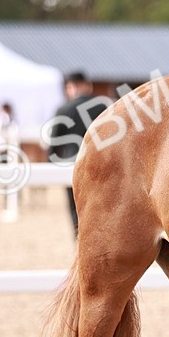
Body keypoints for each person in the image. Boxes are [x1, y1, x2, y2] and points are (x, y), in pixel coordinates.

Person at [48, 71, 108, 236]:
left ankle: (78, 240)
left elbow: (54, 143)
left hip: (71, 164)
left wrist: (50, 162)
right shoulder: (101, 106)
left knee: (75, 208)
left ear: (71, 87)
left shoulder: (63, 109)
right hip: (99, 164)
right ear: (85, 85)